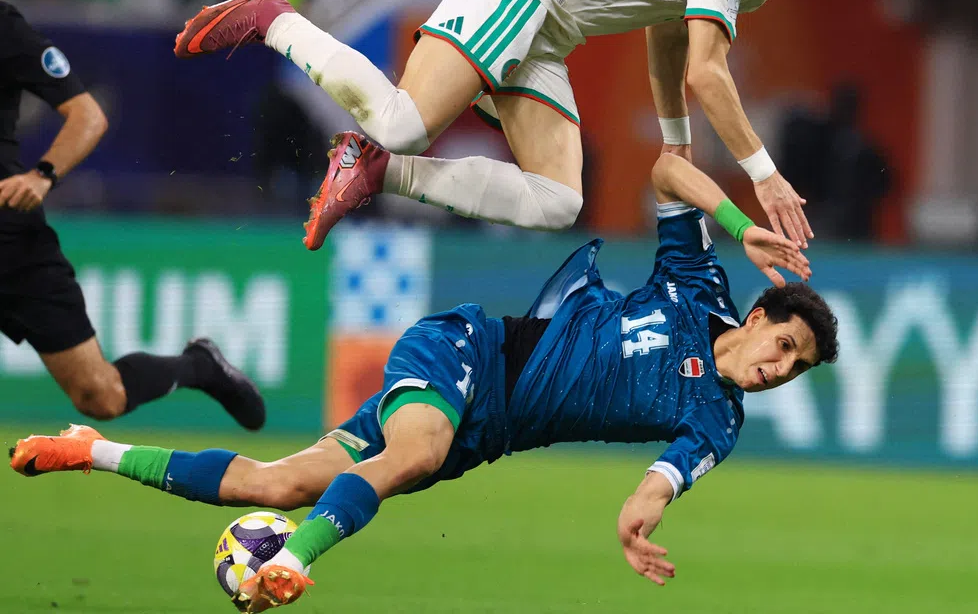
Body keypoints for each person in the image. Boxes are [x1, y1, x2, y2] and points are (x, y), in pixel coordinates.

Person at [11, 149, 837, 611]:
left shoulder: (719, 423)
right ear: (762, 315)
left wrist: (635, 518)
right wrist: (739, 223)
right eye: (787, 344)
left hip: (485, 431)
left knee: (278, 480)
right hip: (472, 350)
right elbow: (663, 167)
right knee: (408, 453)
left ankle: (93, 450)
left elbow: (659, 484)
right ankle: (294, 561)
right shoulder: (699, 289)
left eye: (797, 368)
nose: (781, 369)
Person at [171, 0, 873, 252]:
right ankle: (272, 15)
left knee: (557, 201)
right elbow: (705, 70)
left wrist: (674, 139)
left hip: (548, 34)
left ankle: (378, 174)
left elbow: (667, 29)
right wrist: (766, 177)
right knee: (402, 119)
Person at [0, 0, 265, 429]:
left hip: (10, 241)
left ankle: (199, 367)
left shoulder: (5, 28)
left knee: (99, 395)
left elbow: (87, 116)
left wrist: (43, 175)